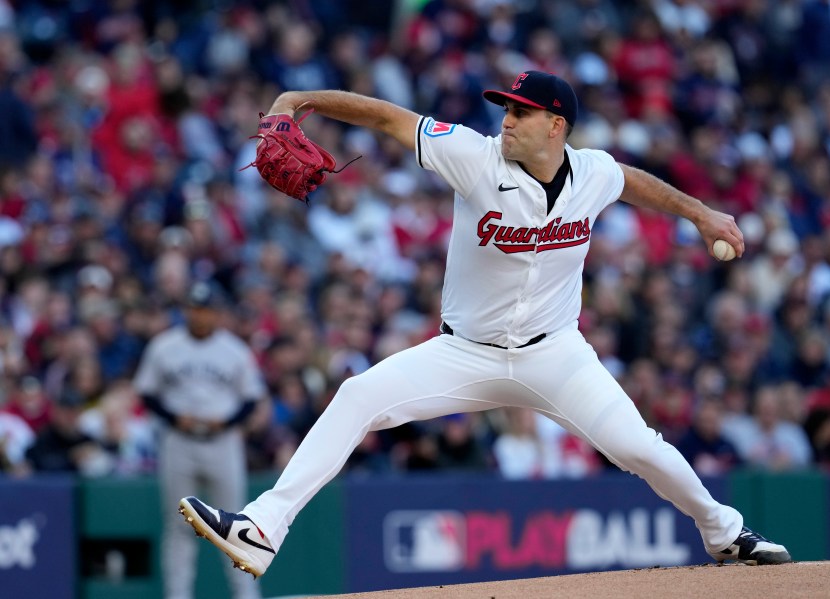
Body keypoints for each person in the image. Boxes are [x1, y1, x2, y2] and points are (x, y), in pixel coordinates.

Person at [178, 71, 791, 579]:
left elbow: (632, 183)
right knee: (359, 394)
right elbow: (389, 118)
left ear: (556, 125)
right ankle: (262, 527)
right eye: (505, 106)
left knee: (639, 448)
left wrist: (700, 213)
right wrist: (299, 101)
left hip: (556, 356)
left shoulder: (593, 172)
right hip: (464, 353)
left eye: (521, 111)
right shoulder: (473, 156)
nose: (506, 118)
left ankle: (723, 533)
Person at [135, 281, 266, 599]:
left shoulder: (234, 349)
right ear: (186, 311)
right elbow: (147, 393)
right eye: (195, 309)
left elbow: (251, 399)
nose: (200, 316)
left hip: (222, 442)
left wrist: (229, 420)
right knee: (179, 524)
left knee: (234, 524)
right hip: (179, 441)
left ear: (218, 313)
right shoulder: (164, 346)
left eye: (206, 310)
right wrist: (172, 416)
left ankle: (246, 595)